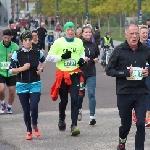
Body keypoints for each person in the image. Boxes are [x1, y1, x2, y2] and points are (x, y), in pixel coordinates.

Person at [105, 24, 150, 150]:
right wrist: (124, 73)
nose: (134, 36)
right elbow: (109, 70)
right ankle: (122, 141)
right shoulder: (119, 50)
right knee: (126, 125)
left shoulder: (146, 49)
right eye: (132, 34)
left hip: (141, 91)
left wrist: (148, 71)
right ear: (126, 35)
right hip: (124, 92)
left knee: (141, 123)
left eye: (136, 33)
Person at [46, 22, 85, 136]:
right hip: (63, 74)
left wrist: (81, 60)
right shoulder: (59, 42)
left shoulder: (79, 42)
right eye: (68, 29)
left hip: (75, 73)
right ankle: (61, 118)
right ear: (64, 31)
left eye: (72, 29)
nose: (70, 31)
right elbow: (49, 57)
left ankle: (74, 125)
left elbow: (81, 54)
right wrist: (61, 57)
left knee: (75, 98)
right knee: (64, 101)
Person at [9, 31, 46, 140]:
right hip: (22, 84)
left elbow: (43, 61)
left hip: (35, 83)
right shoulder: (17, 53)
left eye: (30, 40)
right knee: (26, 109)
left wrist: (41, 69)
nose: (28, 42)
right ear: (22, 41)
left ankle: (34, 125)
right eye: (26, 40)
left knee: (34, 107)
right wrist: (22, 68)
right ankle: (29, 130)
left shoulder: (37, 52)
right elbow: (11, 70)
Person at [78, 26, 99, 124]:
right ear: (82, 34)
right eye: (86, 32)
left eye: (89, 32)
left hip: (91, 73)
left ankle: (92, 116)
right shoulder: (78, 44)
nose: (88, 34)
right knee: (80, 94)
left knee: (91, 94)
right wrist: (82, 60)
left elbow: (96, 56)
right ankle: (79, 110)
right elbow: (75, 59)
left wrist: (96, 60)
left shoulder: (94, 45)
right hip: (81, 73)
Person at [132, 25, 150, 127]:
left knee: (147, 93)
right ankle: (135, 112)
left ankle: (147, 117)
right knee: (137, 94)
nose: (145, 35)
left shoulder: (149, 45)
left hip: (147, 72)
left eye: (146, 33)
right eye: (143, 33)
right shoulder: (135, 46)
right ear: (138, 34)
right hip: (136, 73)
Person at [0, 29, 19, 114]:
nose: (6, 40)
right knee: (1, 89)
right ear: (2, 37)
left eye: (8, 38)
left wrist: (14, 56)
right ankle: (2, 103)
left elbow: (20, 58)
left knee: (11, 91)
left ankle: (9, 106)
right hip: (1, 72)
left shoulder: (15, 46)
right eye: (5, 38)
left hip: (12, 72)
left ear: (11, 37)